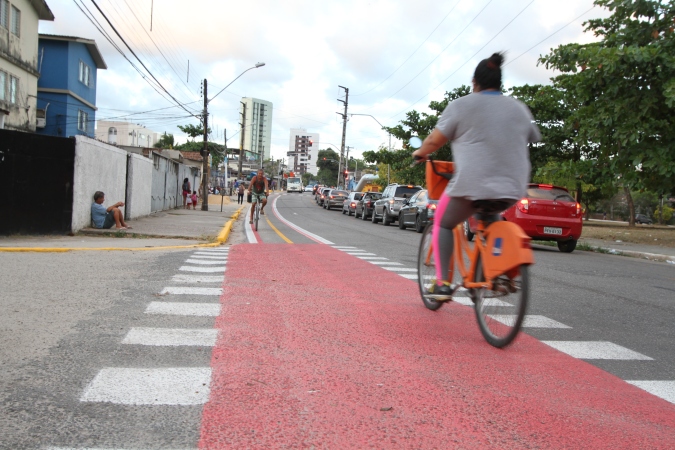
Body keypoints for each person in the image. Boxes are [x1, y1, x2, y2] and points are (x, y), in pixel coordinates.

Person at [412, 52, 541, 300]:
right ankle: (490, 273)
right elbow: (533, 136)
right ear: (499, 81)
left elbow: (433, 141)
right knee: (490, 221)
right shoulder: (518, 108)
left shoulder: (461, 105)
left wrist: (420, 153)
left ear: (475, 82)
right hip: (512, 187)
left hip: (472, 185)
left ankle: (442, 284)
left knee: (443, 222)